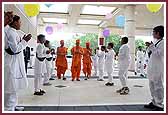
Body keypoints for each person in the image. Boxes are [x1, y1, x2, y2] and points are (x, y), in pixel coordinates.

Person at [4, 14, 32, 111]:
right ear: (14, 22)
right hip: (11, 63)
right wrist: (25, 41)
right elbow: (14, 49)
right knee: (11, 87)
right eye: (19, 22)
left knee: (14, 86)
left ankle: (13, 105)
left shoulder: (13, 32)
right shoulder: (10, 32)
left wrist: (23, 40)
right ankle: (8, 109)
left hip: (15, 62)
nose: (21, 24)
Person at [144, 26, 164, 111]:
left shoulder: (163, 43)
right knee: (151, 85)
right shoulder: (156, 42)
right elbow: (151, 53)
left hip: (158, 68)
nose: (152, 34)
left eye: (154, 32)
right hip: (152, 67)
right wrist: (150, 47)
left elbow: (159, 54)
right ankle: (154, 102)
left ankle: (159, 104)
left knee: (158, 86)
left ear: (158, 33)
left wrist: (151, 46)